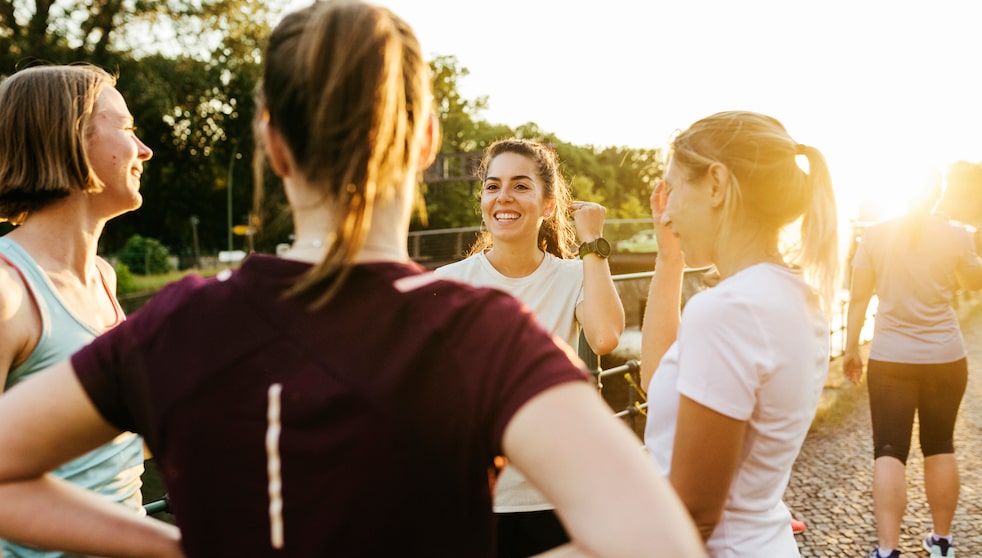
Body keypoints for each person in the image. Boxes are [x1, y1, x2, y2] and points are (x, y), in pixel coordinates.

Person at [0, 2, 706, 557]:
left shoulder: (177, 324)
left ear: (274, 147)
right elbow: (656, 540)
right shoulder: (480, 332)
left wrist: (177, 545)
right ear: (426, 138)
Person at [640, 110, 838, 556]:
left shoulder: (727, 311)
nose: (666, 212)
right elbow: (661, 384)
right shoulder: (793, 296)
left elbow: (694, 515)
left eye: (672, 189)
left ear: (715, 184)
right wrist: (669, 259)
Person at [434, 138, 626, 557]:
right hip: (474, 496)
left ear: (549, 205)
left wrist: (593, 243)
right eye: (492, 186)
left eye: (521, 186)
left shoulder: (574, 275)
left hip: (558, 493)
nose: (503, 197)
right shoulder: (448, 283)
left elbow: (606, 336)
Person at [0, 64, 151, 557]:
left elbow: (109, 445)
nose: (144, 150)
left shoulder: (103, 279)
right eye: (127, 128)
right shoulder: (7, 290)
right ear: (71, 139)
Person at [844, 177, 982, 558]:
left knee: (889, 450)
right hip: (945, 357)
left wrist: (850, 350)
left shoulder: (874, 236)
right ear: (939, 192)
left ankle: (888, 550)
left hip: (891, 358)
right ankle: (942, 543)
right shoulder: (956, 235)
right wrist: (968, 257)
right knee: (940, 445)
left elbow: (858, 297)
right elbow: (977, 282)